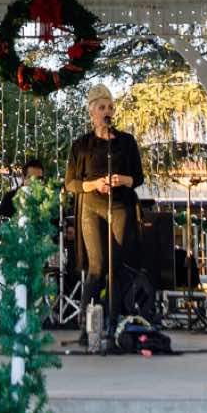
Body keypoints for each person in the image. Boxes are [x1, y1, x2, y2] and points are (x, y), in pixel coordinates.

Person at [64, 85, 144, 326]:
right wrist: (94, 184)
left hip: (119, 207)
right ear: (92, 111)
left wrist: (122, 180)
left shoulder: (126, 141)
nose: (107, 111)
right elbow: (70, 183)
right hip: (91, 207)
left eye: (110, 107)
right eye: (102, 107)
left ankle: (112, 323)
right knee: (97, 266)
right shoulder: (81, 145)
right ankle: (85, 324)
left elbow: (138, 178)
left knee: (115, 267)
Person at [0, 156, 46, 221]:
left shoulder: (48, 199)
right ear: (23, 178)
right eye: (31, 178)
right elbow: (3, 223)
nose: (35, 182)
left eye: (39, 178)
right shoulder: (10, 198)